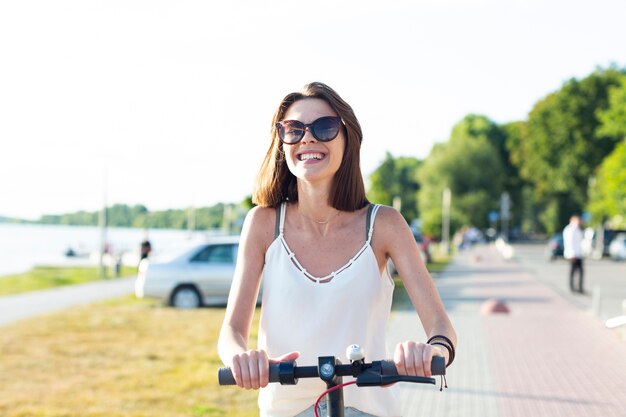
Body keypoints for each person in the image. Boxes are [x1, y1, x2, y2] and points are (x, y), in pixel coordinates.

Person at [218, 82, 456, 417]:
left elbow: (442, 330)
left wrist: (431, 352)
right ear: (281, 141)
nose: (308, 138)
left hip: (367, 408)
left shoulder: (384, 224)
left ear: (348, 138)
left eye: (324, 127)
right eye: (293, 129)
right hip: (284, 408)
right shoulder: (262, 224)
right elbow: (230, 333)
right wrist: (240, 358)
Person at [563, 215, 584, 293]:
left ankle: (579, 287)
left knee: (580, 271)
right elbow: (570, 243)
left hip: (578, 253)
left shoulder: (577, 229)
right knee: (573, 271)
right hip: (573, 254)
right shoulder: (570, 230)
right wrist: (573, 254)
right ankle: (572, 287)